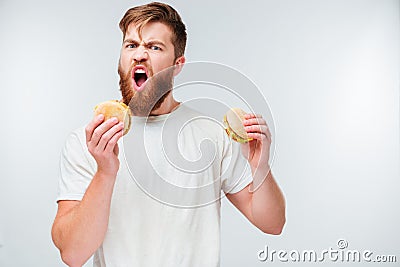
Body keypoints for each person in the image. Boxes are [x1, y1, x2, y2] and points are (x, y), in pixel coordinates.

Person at [51, 2, 286, 267]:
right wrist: (105, 172)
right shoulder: (89, 141)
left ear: (177, 65)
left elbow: (273, 224)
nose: (139, 54)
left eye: (154, 47)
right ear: (121, 59)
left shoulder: (212, 133)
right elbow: (72, 254)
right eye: (131, 45)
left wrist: (260, 167)